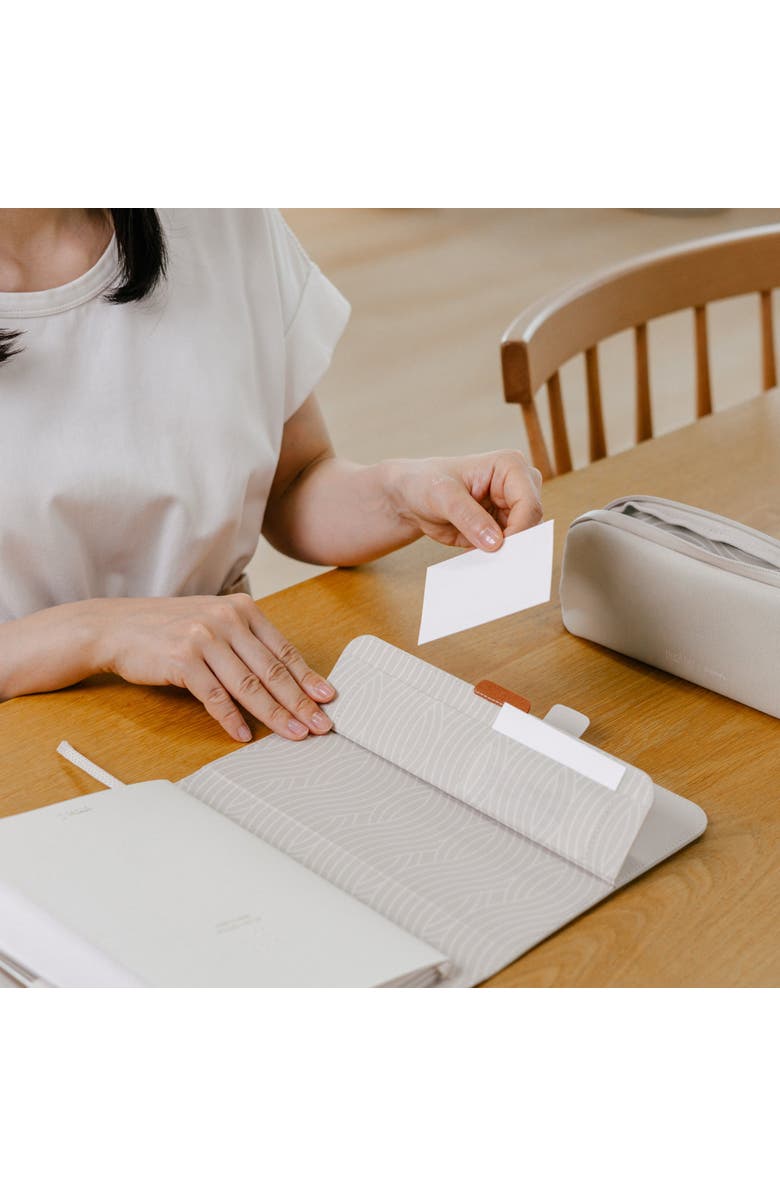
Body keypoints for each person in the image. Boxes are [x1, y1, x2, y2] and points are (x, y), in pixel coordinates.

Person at [0, 208, 543, 743]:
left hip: (217, 707)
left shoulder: (221, 217)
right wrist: (97, 632)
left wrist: (401, 493)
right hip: (26, 733)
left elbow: (294, 481)